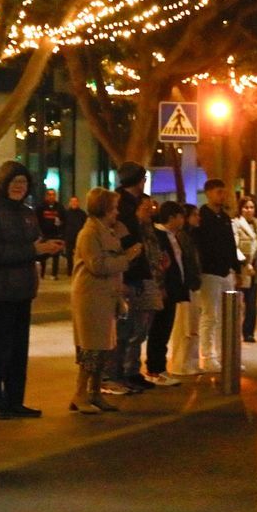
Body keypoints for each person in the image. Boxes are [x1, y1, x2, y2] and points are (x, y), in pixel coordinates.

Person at [0, 161, 63, 418]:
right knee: (0, 350)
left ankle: (15, 401)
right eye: (14, 182)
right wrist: (33, 250)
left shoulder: (27, 213)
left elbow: (33, 246)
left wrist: (47, 249)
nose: (19, 187)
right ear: (3, 183)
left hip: (23, 291)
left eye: (23, 182)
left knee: (19, 351)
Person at [68, 187, 142, 413]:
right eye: (113, 209)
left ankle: (95, 392)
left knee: (103, 348)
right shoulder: (89, 234)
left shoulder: (107, 231)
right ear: (104, 209)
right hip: (91, 297)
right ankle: (80, 394)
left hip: (106, 296)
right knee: (91, 348)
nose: (117, 213)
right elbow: (97, 265)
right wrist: (127, 258)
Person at [104, 163, 154, 394]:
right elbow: (122, 242)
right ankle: (114, 375)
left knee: (137, 328)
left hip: (138, 271)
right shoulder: (122, 206)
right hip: (126, 273)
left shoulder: (137, 203)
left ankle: (129, 372)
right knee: (123, 329)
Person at [190, 178, 240, 370]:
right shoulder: (202, 217)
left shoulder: (224, 217)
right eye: (219, 192)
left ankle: (224, 354)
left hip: (226, 272)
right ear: (208, 193)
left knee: (226, 316)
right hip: (209, 272)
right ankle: (207, 356)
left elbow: (230, 244)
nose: (223, 196)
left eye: (224, 192)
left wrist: (236, 268)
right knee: (210, 315)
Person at [118, 194, 165, 391]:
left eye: (151, 208)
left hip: (150, 280)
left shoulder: (149, 230)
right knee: (133, 329)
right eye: (145, 208)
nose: (149, 212)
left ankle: (133, 370)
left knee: (142, 328)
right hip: (137, 281)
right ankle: (126, 370)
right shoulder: (132, 230)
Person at [146, 201, 196, 384]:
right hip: (163, 290)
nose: (183, 220)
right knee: (159, 330)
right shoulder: (158, 236)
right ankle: (155, 370)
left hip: (173, 289)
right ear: (172, 218)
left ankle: (159, 368)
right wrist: (162, 287)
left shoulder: (173, 236)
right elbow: (160, 265)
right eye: (181, 216)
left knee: (165, 329)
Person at [232, 196, 257, 343]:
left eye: (251, 207)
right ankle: (234, 331)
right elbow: (234, 247)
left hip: (255, 268)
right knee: (238, 302)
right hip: (241, 268)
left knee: (252, 303)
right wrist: (244, 262)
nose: (249, 210)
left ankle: (249, 332)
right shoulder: (236, 224)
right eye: (246, 207)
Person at [37, 188, 65, 280]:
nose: (51, 196)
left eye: (53, 195)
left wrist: (60, 224)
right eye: (49, 194)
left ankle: (54, 274)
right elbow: (37, 220)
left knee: (56, 254)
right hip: (44, 234)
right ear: (46, 196)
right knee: (43, 254)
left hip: (55, 234)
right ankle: (42, 273)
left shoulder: (59, 207)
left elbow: (64, 219)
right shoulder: (41, 207)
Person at [61, 194, 87, 277]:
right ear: (70, 203)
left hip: (79, 237)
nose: (74, 203)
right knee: (69, 256)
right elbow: (63, 225)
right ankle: (70, 271)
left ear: (78, 203)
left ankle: (79, 271)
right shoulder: (66, 213)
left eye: (75, 201)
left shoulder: (82, 214)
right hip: (69, 237)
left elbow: (85, 225)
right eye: (72, 201)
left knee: (79, 256)